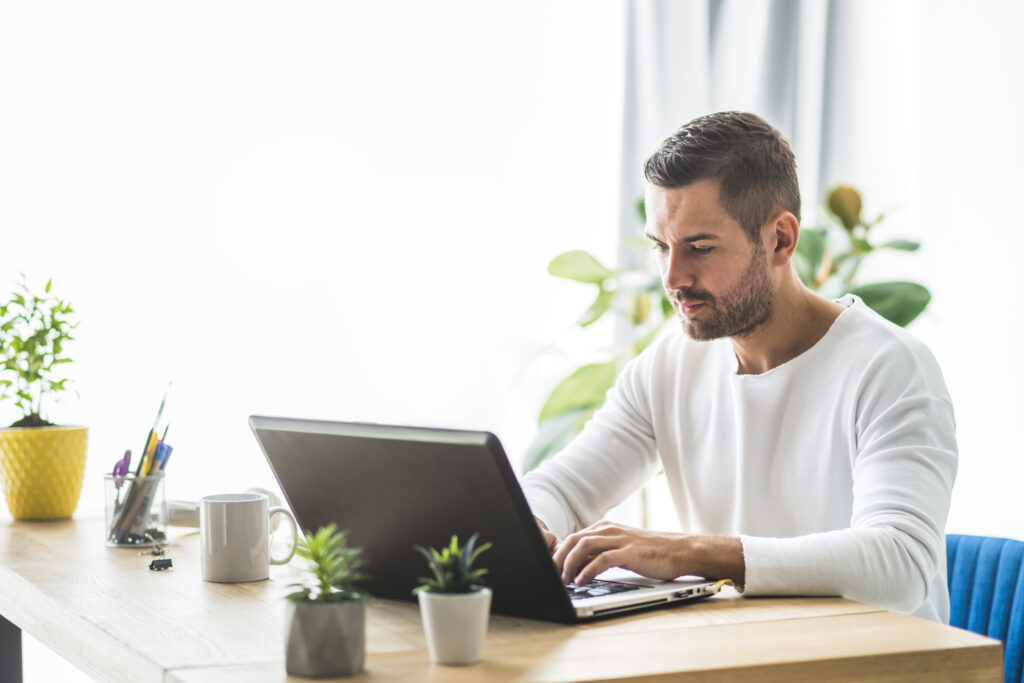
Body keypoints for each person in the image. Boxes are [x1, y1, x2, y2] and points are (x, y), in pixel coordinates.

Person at [521, 111, 957, 623]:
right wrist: (527, 526)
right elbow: (560, 490)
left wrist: (691, 553)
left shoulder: (891, 369)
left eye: (699, 248)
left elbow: (901, 566)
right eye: (660, 247)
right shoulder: (669, 365)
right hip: (743, 659)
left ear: (780, 240)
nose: (672, 276)